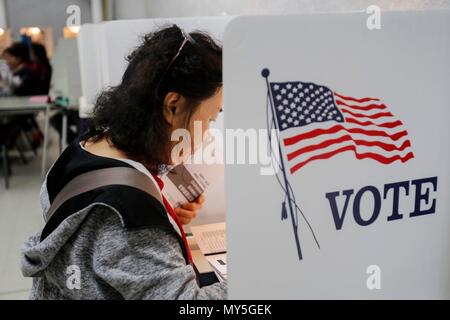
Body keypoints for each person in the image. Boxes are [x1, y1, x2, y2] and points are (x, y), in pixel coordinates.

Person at [21, 25, 226, 299]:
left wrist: (165, 218)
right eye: (210, 118)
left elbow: (100, 243)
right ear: (173, 106)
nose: (208, 132)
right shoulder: (130, 214)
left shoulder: (82, 149)